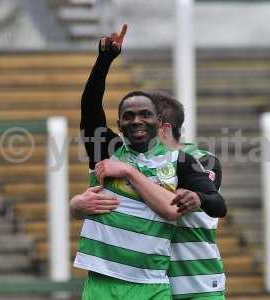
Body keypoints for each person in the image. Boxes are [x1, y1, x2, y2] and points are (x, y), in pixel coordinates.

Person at [72, 25, 226, 300]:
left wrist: (198, 198)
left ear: (161, 124)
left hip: (192, 281)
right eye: (129, 116)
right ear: (119, 124)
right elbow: (90, 111)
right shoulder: (110, 152)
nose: (137, 121)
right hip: (126, 278)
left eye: (146, 114)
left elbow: (213, 205)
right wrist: (76, 205)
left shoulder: (192, 160)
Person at [150, 91, 226, 300]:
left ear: (162, 129)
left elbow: (202, 197)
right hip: (149, 285)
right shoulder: (136, 162)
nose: (135, 127)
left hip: (198, 282)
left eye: (144, 120)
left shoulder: (204, 160)